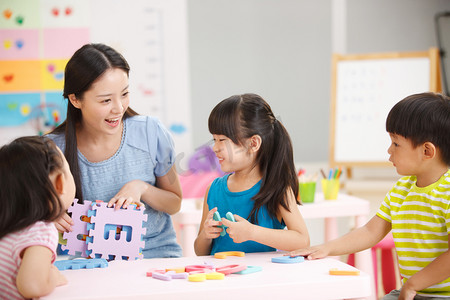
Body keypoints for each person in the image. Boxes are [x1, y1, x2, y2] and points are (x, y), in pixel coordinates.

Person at [289, 92, 450, 300]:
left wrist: (412, 284)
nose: (389, 151)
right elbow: (369, 231)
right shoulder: (402, 189)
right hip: (413, 291)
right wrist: (325, 248)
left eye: (396, 144)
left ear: (427, 151)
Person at [48, 43, 182, 258]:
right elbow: (23, 215)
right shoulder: (52, 149)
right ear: (75, 99)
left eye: (125, 94)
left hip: (153, 257)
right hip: (85, 266)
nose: (118, 108)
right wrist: (46, 218)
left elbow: (174, 203)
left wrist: (142, 188)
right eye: (106, 100)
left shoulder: (151, 132)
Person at [194, 93, 310, 256]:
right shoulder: (213, 190)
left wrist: (251, 232)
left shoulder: (276, 189)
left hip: (260, 280)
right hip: (220, 279)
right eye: (214, 139)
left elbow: (302, 240)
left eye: (223, 140)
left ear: (253, 143)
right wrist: (206, 236)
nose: (215, 148)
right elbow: (200, 252)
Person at [0, 136, 75, 299]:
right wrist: (53, 277)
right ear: (60, 183)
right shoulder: (41, 230)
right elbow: (32, 286)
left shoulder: (10, 227)